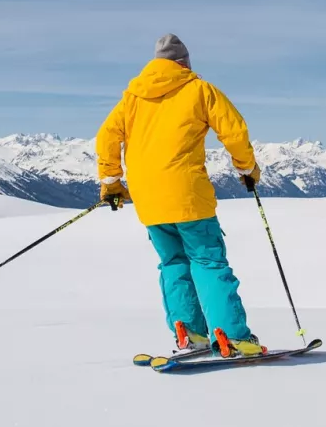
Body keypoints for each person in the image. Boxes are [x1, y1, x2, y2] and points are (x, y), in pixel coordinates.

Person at [97, 33, 265, 358]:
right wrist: (247, 169)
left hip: (149, 201)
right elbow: (234, 130)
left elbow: (106, 136)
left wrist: (112, 183)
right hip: (188, 195)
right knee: (209, 261)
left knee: (173, 263)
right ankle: (231, 337)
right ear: (183, 63)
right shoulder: (199, 90)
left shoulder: (132, 98)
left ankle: (191, 334)